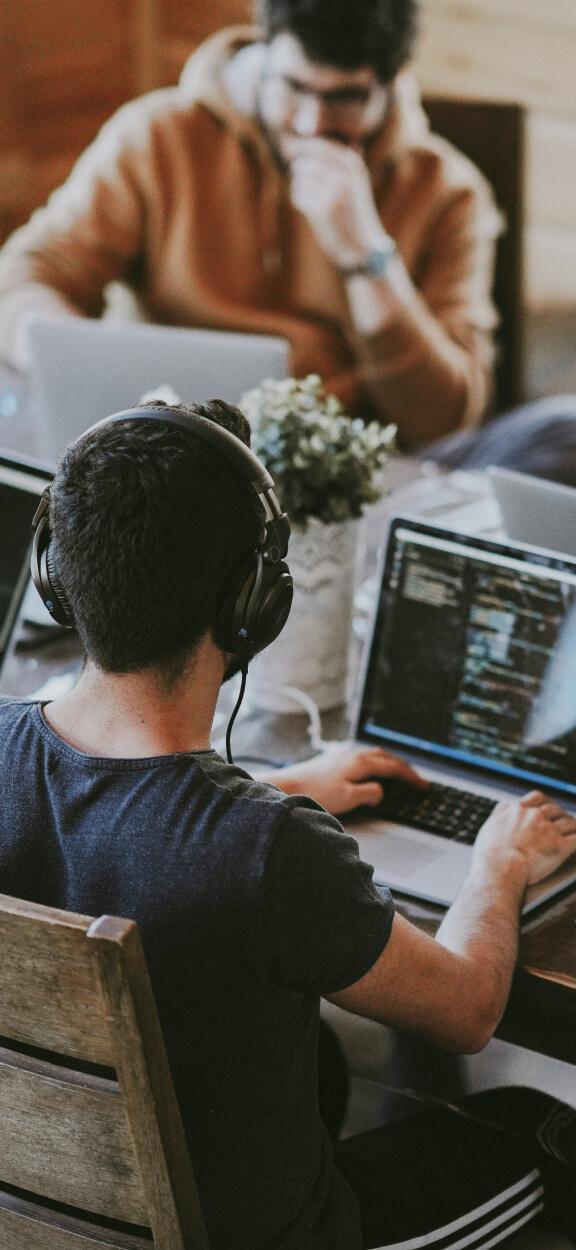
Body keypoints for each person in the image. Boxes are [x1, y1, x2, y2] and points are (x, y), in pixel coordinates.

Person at [1, 395, 576, 1250]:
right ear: (254, 604)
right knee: (543, 1129)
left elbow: (132, 818)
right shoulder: (267, 851)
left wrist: (282, 783)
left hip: (45, 1208)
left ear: (60, 575)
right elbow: (467, 1014)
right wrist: (501, 859)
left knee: (323, 1064)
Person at [0, 0, 502, 448]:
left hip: (332, 471)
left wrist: (366, 256)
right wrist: (74, 372)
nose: (310, 123)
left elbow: (445, 420)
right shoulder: (157, 138)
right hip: (158, 443)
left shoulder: (449, 192)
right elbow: (25, 280)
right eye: (293, 86)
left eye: (345, 97)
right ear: (264, 52)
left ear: (390, 84)